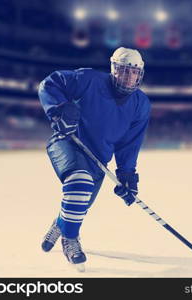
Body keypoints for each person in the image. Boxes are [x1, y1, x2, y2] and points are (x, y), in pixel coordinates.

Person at [38, 47, 150, 266]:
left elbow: (130, 142)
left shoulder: (141, 104)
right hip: (68, 142)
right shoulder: (89, 79)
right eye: (124, 70)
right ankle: (70, 239)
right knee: (79, 183)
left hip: (97, 160)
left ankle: (61, 223)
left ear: (140, 74)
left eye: (134, 72)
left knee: (79, 205)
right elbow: (50, 83)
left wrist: (127, 173)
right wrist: (60, 109)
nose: (129, 77)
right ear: (113, 69)